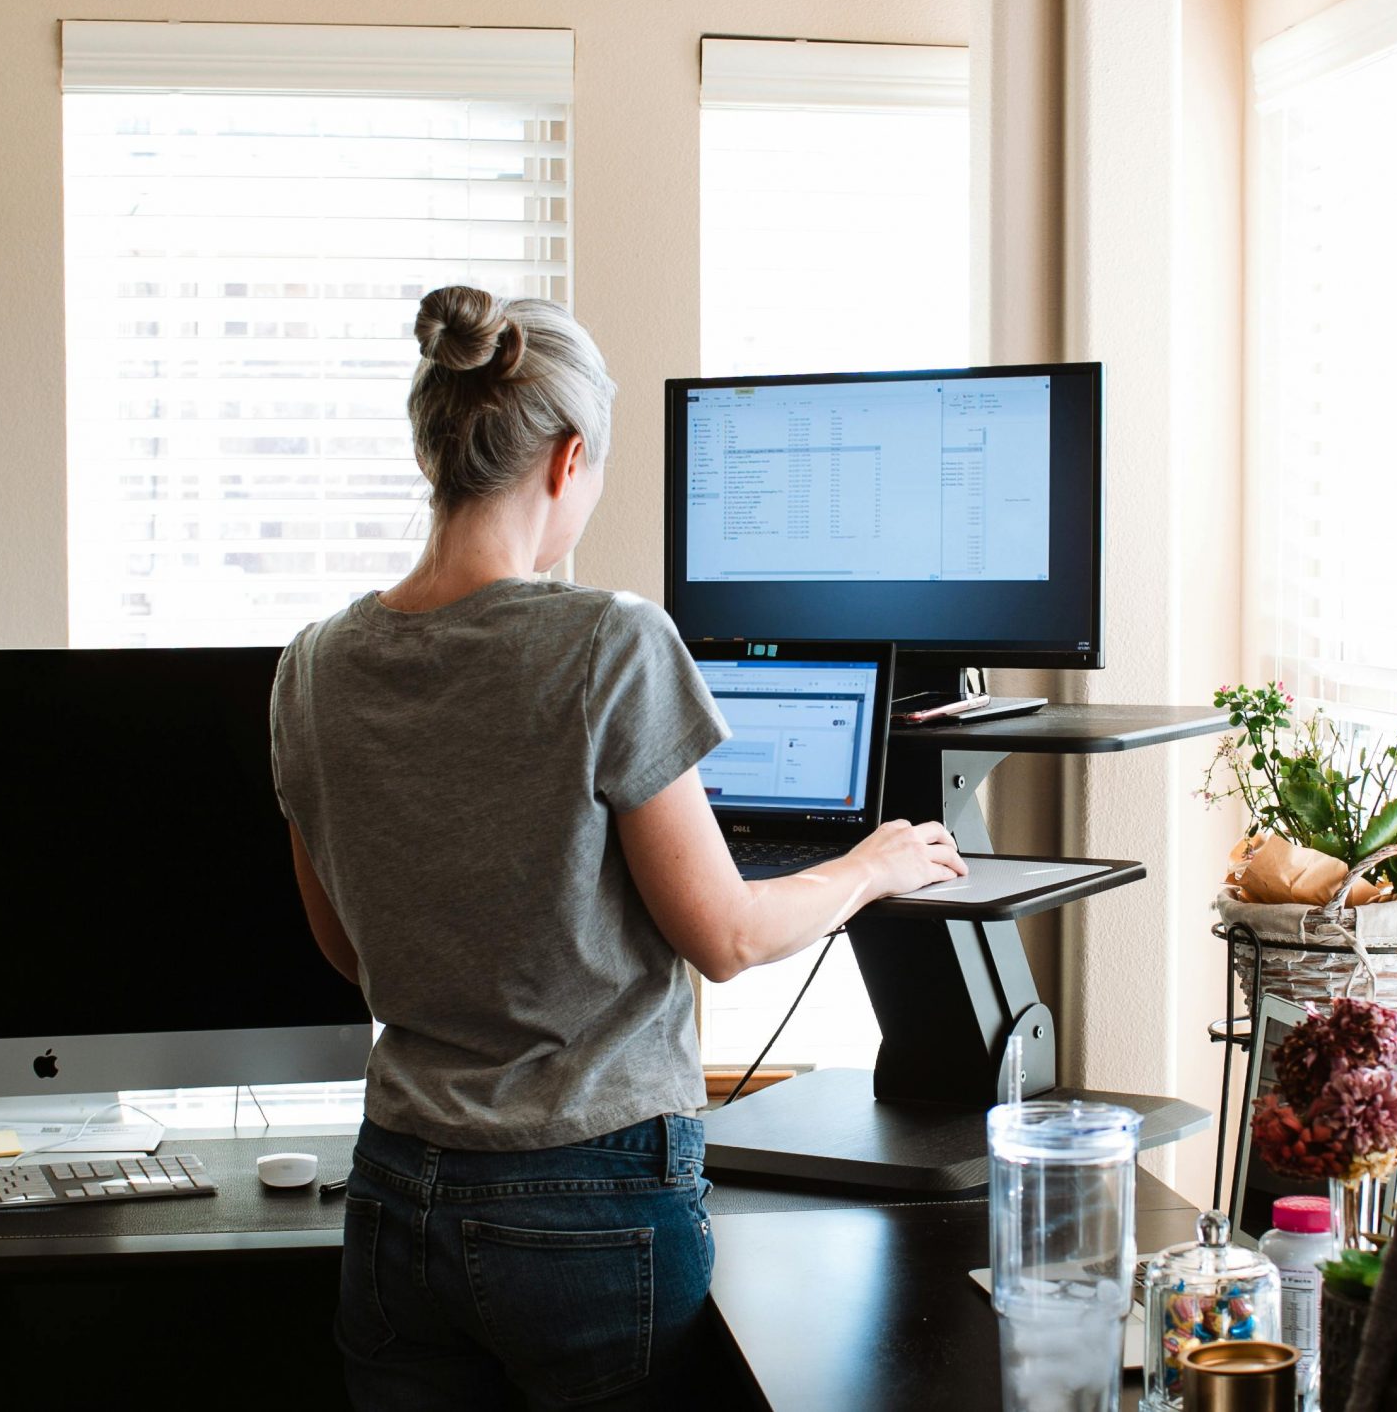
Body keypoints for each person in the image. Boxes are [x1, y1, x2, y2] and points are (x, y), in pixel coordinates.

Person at [271, 286, 965, 1410]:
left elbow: (345, 947)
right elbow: (727, 938)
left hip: (398, 1194)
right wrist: (869, 866)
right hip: (587, 1203)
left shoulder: (311, 665)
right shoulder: (608, 639)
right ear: (568, 456)